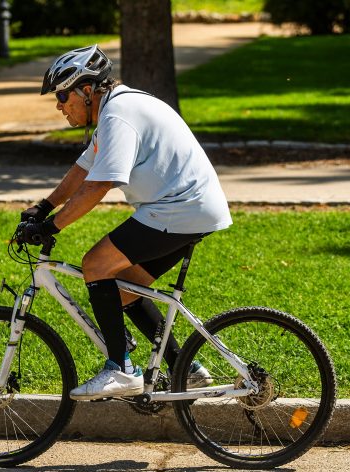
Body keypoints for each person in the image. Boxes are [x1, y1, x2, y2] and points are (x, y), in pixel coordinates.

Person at [18, 45, 233, 401]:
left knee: (95, 264)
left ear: (86, 91)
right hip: (186, 209)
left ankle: (121, 369)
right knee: (124, 289)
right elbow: (84, 168)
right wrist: (43, 207)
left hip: (177, 209)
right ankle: (186, 369)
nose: (59, 106)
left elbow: (98, 185)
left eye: (61, 95)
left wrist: (52, 227)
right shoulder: (116, 109)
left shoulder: (118, 114)